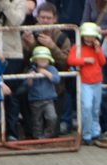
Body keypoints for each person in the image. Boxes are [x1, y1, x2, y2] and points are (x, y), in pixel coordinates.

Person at [21, 2, 73, 135]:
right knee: (32, 129)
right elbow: (24, 61)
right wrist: (30, 45)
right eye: (42, 17)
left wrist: (53, 47)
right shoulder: (29, 32)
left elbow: (66, 63)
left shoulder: (62, 37)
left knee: (53, 129)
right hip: (33, 86)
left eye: (48, 18)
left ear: (55, 19)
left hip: (54, 87)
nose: (45, 21)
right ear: (37, 17)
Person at [68, 22, 107, 144]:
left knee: (95, 109)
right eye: (87, 36)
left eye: (91, 36)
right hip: (85, 83)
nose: (89, 39)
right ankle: (86, 134)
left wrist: (98, 49)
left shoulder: (97, 48)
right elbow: (70, 60)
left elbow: (103, 62)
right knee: (87, 107)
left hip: (97, 82)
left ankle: (96, 132)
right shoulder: (77, 47)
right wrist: (84, 60)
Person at [27, 45, 62, 139]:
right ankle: (37, 137)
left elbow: (56, 79)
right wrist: (31, 77)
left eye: (45, 59)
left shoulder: (52, 69)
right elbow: (28, 85)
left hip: (49, 99)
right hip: (35, 100)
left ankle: (47, 135)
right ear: (35, 60)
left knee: (52, 117)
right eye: (40, 59)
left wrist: (46, 73)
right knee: (36, 120)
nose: (43, 61)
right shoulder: (32, 70)